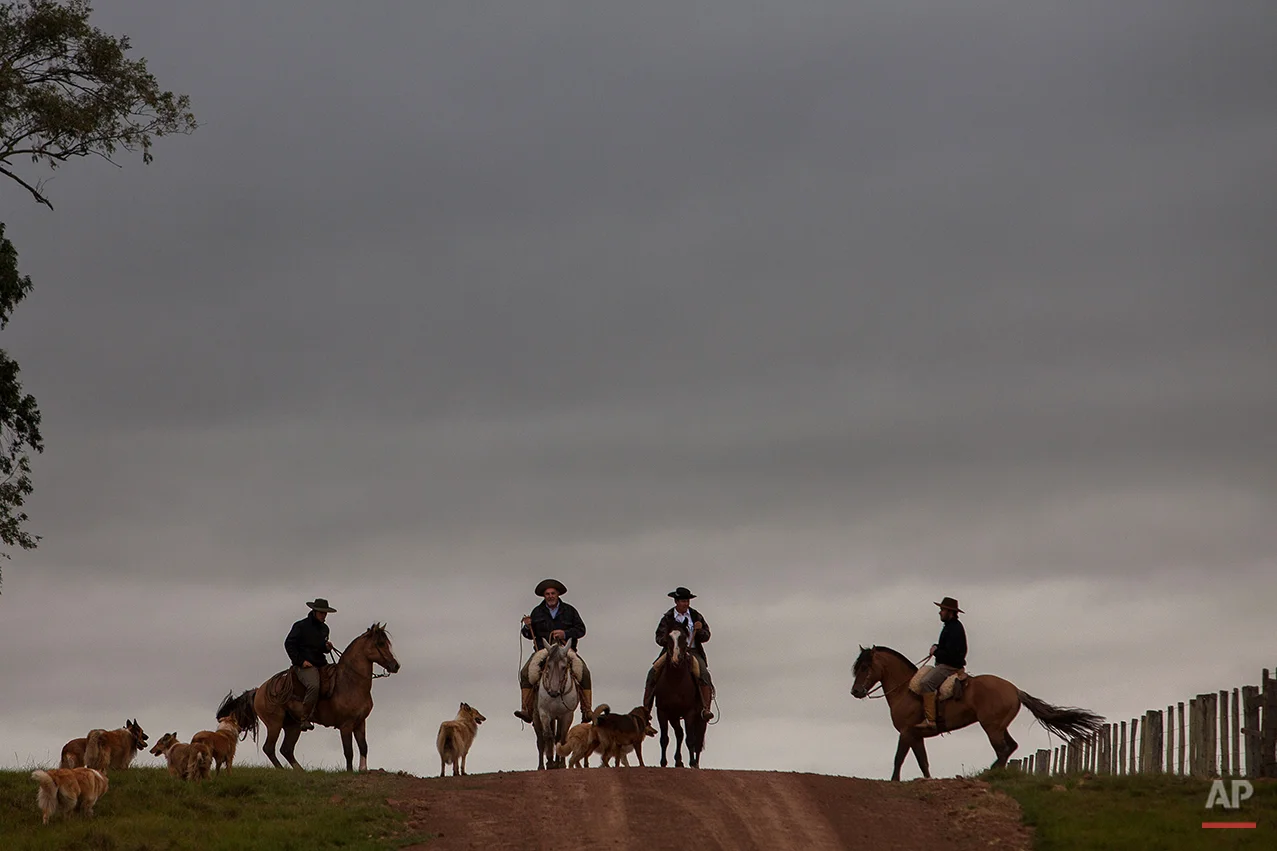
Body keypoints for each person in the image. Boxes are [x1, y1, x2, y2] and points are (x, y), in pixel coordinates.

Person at [514, 579, 594, 724]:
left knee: (584, 672)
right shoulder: (537, 612)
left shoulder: (570, 611)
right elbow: (528, 635)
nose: (550, 596)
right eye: (547, 594)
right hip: (543, 651)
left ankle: (587, 710)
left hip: (565, 650)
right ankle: (526, 709)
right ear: (544, 596)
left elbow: (581, 630)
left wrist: (565, 633)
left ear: (558, 595)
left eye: (553, 593)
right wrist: (527, 627)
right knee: (525, 672)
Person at [642, 587, 715, 720]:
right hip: (671, 651)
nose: (685, 604)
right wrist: (670, 641)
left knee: (703, 673)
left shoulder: (696, 616)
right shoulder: (668, 618)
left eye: (687, 601)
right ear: (676, 602)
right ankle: (646, 710)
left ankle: (706, 709)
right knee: (653, 672)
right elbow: (658, 637)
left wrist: (700, 631)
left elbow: (706, 635)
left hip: (692, 651)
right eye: (682, 601)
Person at [915, 596, 967, 731]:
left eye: (942, 610)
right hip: (947, 664)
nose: (940, 612)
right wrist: (937, 647)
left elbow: (952, 654)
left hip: (949, 667)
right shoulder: (951, 627)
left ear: (950, 612)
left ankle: (931, 720)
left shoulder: (954, 629)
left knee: (926, 683)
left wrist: (936, 651)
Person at [284, 597, 336, 731]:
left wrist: (326, 647)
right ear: (314, 611)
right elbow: (289, 644)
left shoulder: (325, 629)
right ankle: (304, 717)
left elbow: (319, 648)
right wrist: (300, 661)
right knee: (313, 685)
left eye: (325, 613)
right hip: (304, 665)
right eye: (321, 613)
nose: (324, 616)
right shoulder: (300, 626)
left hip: (320, 663)